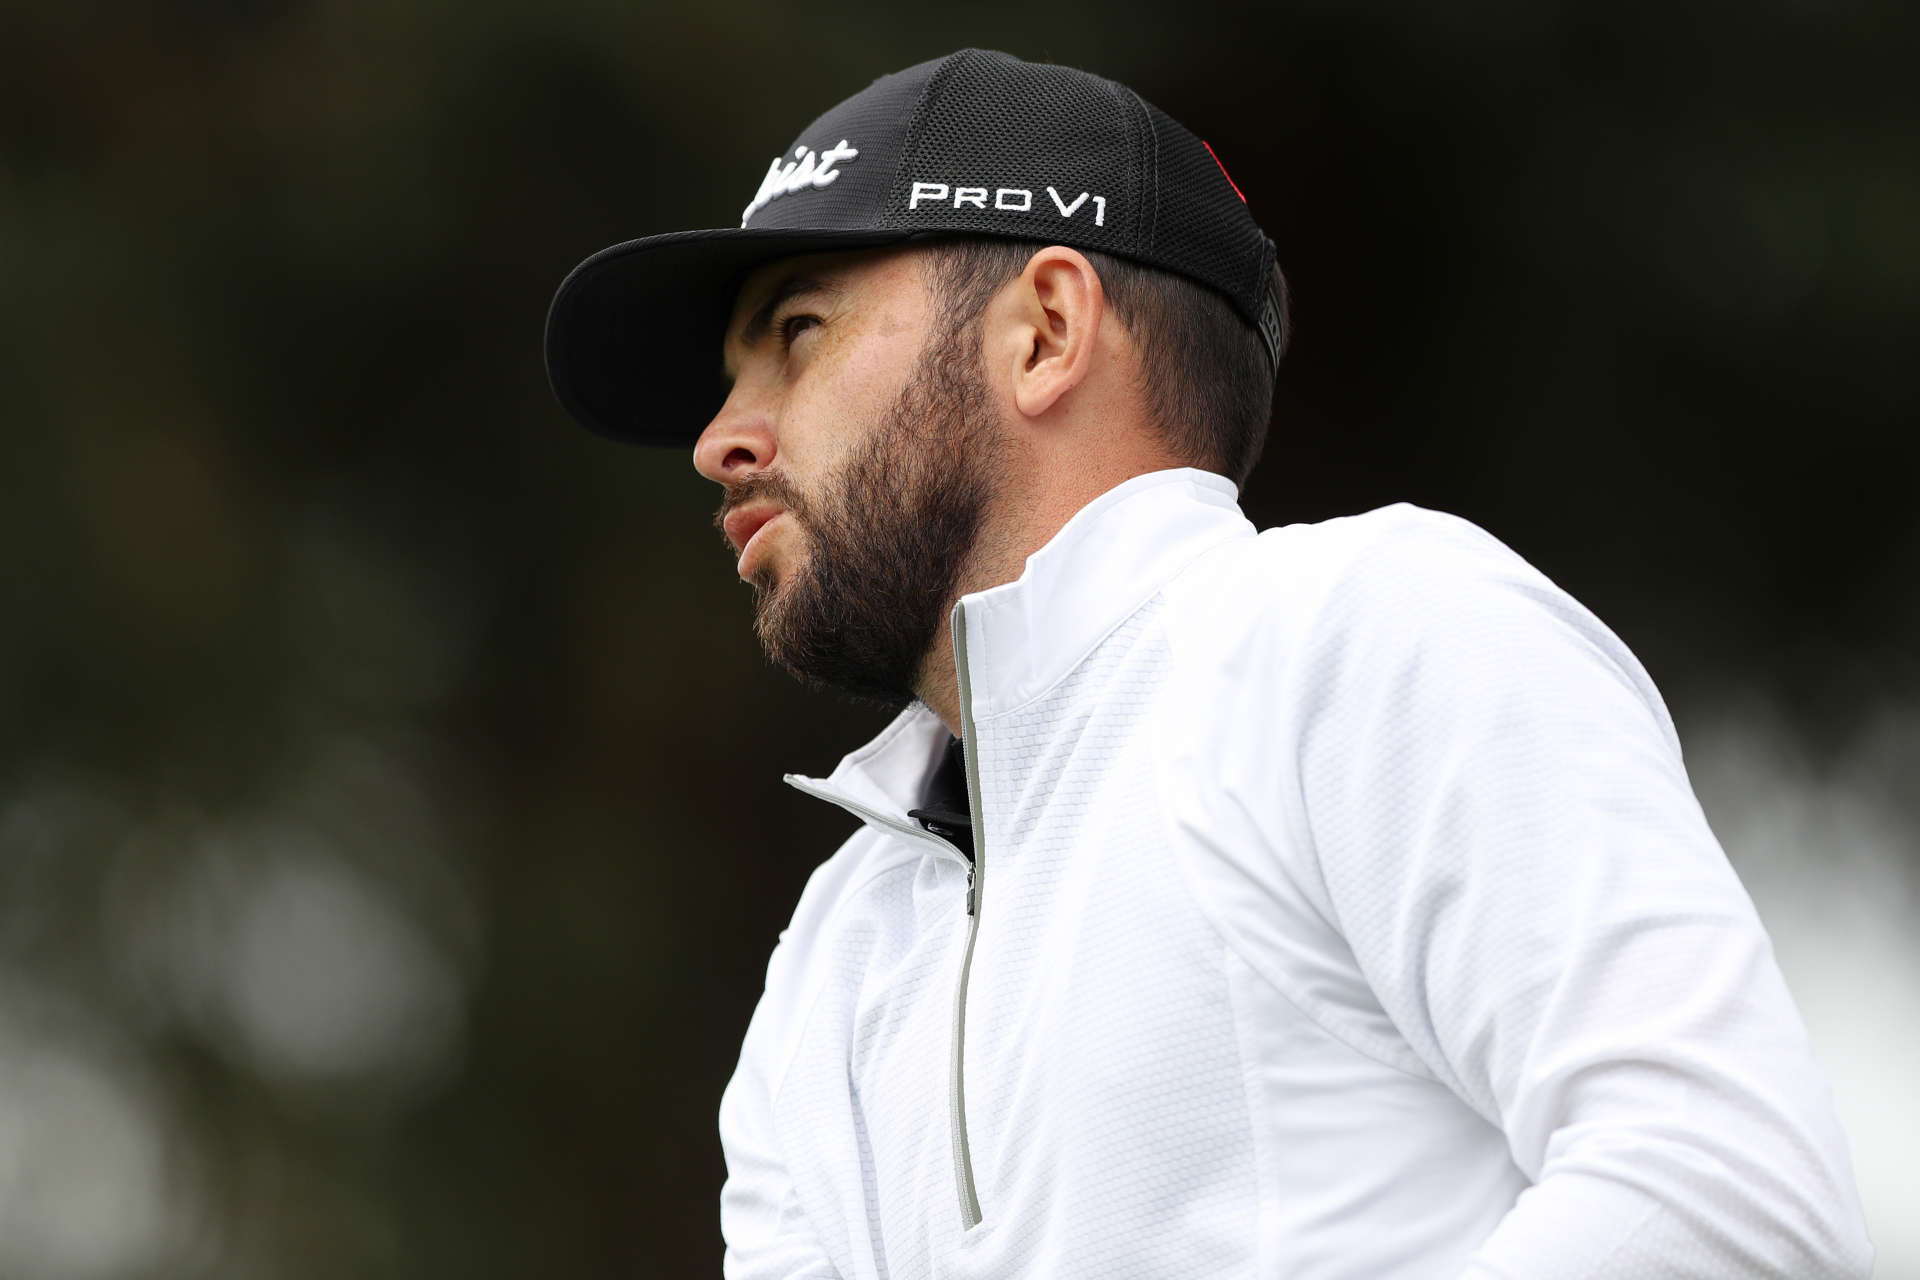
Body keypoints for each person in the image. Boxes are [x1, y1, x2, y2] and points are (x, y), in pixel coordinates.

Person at [544, 48, 1872, 1280]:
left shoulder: (1362, 628)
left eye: (798, 333)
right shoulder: (836, 946)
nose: (724, 436)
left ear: (1046, 332)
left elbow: (1727, 1199)